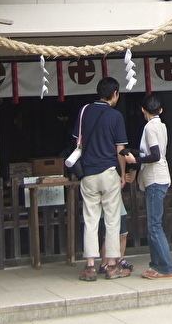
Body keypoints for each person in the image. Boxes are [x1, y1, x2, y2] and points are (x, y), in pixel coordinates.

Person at [73, 77, 135, 281]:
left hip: (88, 173)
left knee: (90, 220)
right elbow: (120, 149)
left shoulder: (84, 112)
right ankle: (110, 265)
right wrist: (122, 174)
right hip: (109, 172)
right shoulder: (116, 116)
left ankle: (90, 266)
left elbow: (78, 143)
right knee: (112, 220)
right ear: (115, 94)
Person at [133, 94, 172, 279]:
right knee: (155, 225)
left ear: (143, 110)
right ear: (161, 110)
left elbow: (155, 155)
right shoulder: (162, 126)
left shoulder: (150, 127)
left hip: (154, 177)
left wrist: (136, 159)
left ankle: (165, 267)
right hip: (161, 176)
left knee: (154, 225)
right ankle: (156, 265)